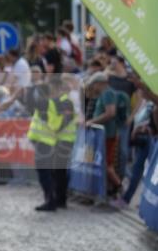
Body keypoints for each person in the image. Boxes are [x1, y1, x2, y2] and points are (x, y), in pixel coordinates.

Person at [27, 74, 76, 211]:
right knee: (54, 172)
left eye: (51, 86)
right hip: (55, 140)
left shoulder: (64, 101)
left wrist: (55, 129)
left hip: (62, 140)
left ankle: (57, 199)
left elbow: (65, 120)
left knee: (57, 171)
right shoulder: (55, 101)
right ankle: (56, 199)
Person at [84, 72, 122, 196]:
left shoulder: (107, 93)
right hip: (103, 134)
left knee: (106, 164)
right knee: (102, 163)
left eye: (94, 85)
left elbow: (110, 113)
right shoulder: (104, 93)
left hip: (107, 134)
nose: (93, 88)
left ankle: (118, 187)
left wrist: (91, 122)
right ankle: (109, 189)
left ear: (99, 83)